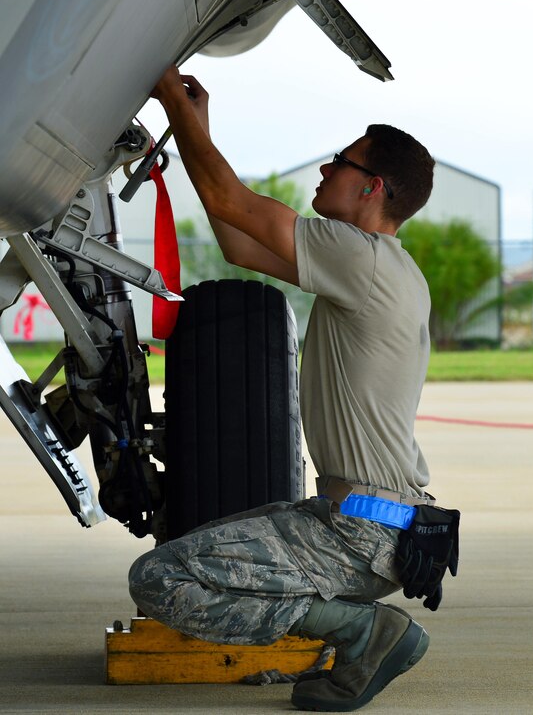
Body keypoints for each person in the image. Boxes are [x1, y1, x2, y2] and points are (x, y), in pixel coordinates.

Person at [128, 65, 440, 712]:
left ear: (372, 187)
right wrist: (196, 125)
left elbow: (230, 202)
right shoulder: (385, 267)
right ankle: (353, 630)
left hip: (359, 532)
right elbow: (239, 243)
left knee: (158, 579)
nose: (324, 173)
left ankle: (361, 631)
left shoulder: (361, 255)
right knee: (194, 557)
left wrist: (169, 98)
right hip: (375, 521)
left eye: (339, 163)